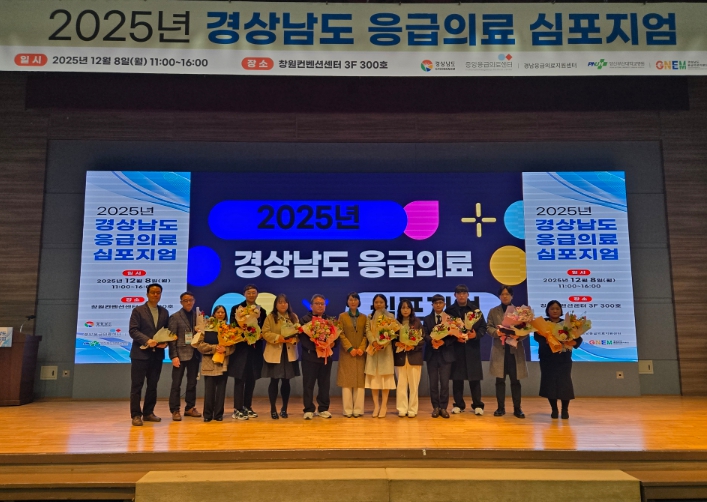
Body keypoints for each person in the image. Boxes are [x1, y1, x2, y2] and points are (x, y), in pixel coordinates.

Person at [534, 300, 583, 419]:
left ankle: (565, 409)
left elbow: (578, 339)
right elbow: (537, 337)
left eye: (557, 308)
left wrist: (572, 342)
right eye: (552, 308)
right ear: (547, 310)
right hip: (547, 358)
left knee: (564, 383)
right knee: (549, 383)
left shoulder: (567, 324)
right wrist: (548, 340)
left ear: (561, 310)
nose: (555, 311)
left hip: (563, 358)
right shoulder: (543, 323)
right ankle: (554, 409)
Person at [128, 283, 169, 426]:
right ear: (147, 294)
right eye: (153, 292)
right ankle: (136, 415)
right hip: (140, 355)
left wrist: (166, 343)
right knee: (137, 386)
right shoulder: (138, 311)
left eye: (158, 292)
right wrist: (147, 340)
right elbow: (133, 330)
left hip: (157, 355)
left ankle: (148, 413)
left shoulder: (164, 312)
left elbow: (166, 331)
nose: (155, 295)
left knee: (152, 386)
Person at [487, 285, 528, 419]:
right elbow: (488, 327)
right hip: (500, 350)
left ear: (512, 296)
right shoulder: (493, 311)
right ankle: (500, 408)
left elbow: (526, 330)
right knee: (500, 381)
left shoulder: (519, 312)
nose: (505, 296)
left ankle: (517, 409)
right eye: (502, 294)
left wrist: (518, 335)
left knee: (516, 381)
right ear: (499, 296)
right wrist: (497, 332)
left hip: (514, 350)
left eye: (507, 294)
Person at [446, 284, 487, 416]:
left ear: (468, 295)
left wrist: (476, 335)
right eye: (459, 293)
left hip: (472, 348)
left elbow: (483, 327)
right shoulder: (450, 310)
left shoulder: (475, 310)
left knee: (474, 378)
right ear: (455, 295)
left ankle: (478, 405)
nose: (461, 295)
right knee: (457, 379)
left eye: (464, 293)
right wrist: (455, 337)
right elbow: (445, 329)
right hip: (457, 348)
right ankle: (458, 404)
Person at [229, 284, 267, 420]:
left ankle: (247, 406)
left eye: (253, 292)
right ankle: (237, 408)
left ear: (257, 294)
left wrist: (259, 335)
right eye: (249, 292)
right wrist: (243, 335)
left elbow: (264, 328)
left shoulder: (261, 311)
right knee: (240, 378)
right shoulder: (236, 309)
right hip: (240, 349)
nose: (251, 295)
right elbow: (233, 327)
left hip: (255, 350)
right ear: (244, 294)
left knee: (251, 378)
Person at [261, 294, 300, 419]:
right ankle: (273, 409)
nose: (283, 304)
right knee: (274, 381)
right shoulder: (270, 317)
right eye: (280, 302)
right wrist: (279, 338)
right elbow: (265, 333)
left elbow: (299, 333)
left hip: (288, 353)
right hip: (274, 353)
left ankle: (284, 408)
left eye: (285, 302)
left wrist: (293, 339)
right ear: (276, 304)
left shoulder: (293, 317)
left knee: (286, 381)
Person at [299, 294, 338, 419]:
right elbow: (303, 339)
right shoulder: (304, 320)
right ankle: (308, 409)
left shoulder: (330, 321)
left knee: (324, 384)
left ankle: (323, 408)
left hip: (326, 357)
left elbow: (336, 338)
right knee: (308, 384)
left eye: (322, 304)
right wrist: (317, 346)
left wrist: (331, 343)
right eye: (317, 303)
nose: (320, 306)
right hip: (310, 357)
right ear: (311, 306)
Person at [196, 305, 235, 422]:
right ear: (214, 314)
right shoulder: (206, 327)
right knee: (209, 391)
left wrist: (225, 350)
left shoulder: (228, 328)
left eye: (223, 312)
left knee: (221, 390)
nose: (220, 314)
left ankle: (218, 414)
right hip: (209, 363)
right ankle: (207, 415)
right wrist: (214, 348)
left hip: (223, 363)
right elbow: (199, 345)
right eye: (218, 312)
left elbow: (233, 347)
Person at [167, 291, 202, 421]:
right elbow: (171, 338)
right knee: (176, 384)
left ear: (194, 301)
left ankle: (190, 408)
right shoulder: (175, 317)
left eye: (190, 300)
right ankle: (175, 410)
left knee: (192, 383)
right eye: (185, 300)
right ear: (181, 302)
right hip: (180, 356)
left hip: (194, 354)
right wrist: (173, 356)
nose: (188, 302)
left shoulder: (198, 317)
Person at [422, 295, 456, 418]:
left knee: (445, 384)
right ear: (432, 305)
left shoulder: (450, 319)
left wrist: (443, 342)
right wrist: (431, 340)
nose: (438, 305)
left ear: (444, 304)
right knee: (433, 384)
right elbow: (424, 334)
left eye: (440, 302)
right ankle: (435, 407)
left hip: (446, 355)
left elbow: (454, 336)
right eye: (435, 303)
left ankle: (443, 408)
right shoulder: (427, 319)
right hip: (432, 355)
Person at [337, 292, 368, 418]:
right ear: (347, 302)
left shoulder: (364, 317)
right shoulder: (342, 316)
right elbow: (340, 333)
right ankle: (347, 410)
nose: (353, 302)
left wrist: (361, 348)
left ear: (359, 302)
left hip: (360, 353)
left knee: (360, 382)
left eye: (355, 299)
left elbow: (366, 334)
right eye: (351, 299)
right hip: (347, 353)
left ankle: (358, 410)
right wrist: (349, 348)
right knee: (347, 382)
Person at [365, 294, 396, 418]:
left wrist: (383, 343)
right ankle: (376, 406)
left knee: (385, 381)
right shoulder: (369, 316)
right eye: (376, 302)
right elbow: (367, 331)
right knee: (374, 381)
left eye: (381, 302)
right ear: (373, 303)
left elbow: (392, 332)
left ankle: (384, 406)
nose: (378, 304)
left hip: (385, 352)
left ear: (385, 303)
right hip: (373, 351)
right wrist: (374, 342)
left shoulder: (390, 316)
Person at [393, 299, 424, 418]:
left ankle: (412, 409)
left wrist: (413, 346)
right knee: (401, 385)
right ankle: (402, 408)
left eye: (407, 307)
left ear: (411, 309)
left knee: (414, 385)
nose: (405, 310)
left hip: (414, 357)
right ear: (400, 310)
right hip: (400, 357)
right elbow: (390, 339)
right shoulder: (395, 323)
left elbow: (422, 339)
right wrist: (397, 343)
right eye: (403, 307)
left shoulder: (417, 322)